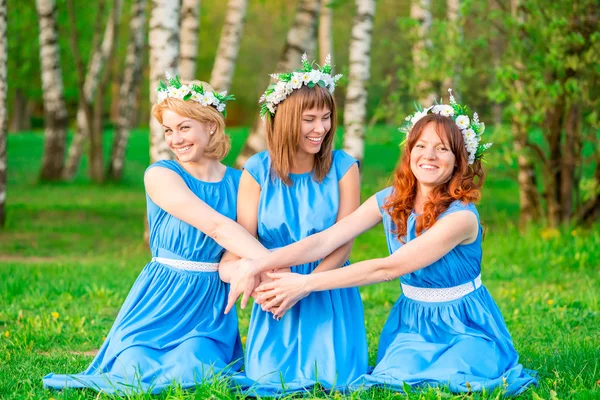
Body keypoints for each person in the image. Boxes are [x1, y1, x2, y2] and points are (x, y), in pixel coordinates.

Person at [233, 90, 537, 395]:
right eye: (421, 146)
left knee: (455, 378)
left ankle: (475, 353)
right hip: (414, 320)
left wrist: (304, 284)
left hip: (465, 323)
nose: (429, 156)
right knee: (397, 379)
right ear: (409, 152)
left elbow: (387, 268)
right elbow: (326, 239)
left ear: (460, 160)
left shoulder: (461, 218)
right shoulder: (392, 199)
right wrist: (258, 264)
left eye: (442, 149)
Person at [43, 76, 271, 394]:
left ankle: (200, 351)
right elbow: (218, 228)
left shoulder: (241, 182)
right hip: (158, 299)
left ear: (211, 126)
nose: (175, 139)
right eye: (168, 130)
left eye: (184, 127)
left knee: (195, 368)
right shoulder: (162, 175)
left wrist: (259, 268)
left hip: (206, 307)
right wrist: (276, 264)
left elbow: (239, 245)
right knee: (134, 367)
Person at [223, 54, 368, 396]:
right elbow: (245, 241)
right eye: (309, 119)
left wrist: (305, 284)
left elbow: (343, 243)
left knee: (336, 380)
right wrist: (274, 289)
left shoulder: (344, 168)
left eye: (327, 118)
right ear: (286, 120)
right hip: (275, 290)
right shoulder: (256, 171)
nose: (321, 129)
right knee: (267, 381)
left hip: (328, 285)